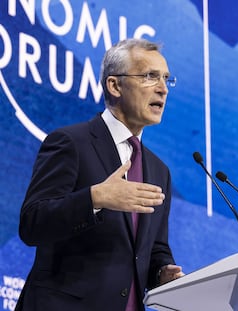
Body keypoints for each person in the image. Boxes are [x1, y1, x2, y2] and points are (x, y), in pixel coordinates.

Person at [16, 38, 183, 311]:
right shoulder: (71, 142)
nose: (163, 89)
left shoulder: (159, 171)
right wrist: (95, 198)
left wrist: (161, 272)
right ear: (114, 85)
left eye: (166, 78)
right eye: (150, 76)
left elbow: (155, 248)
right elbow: (32, 223)